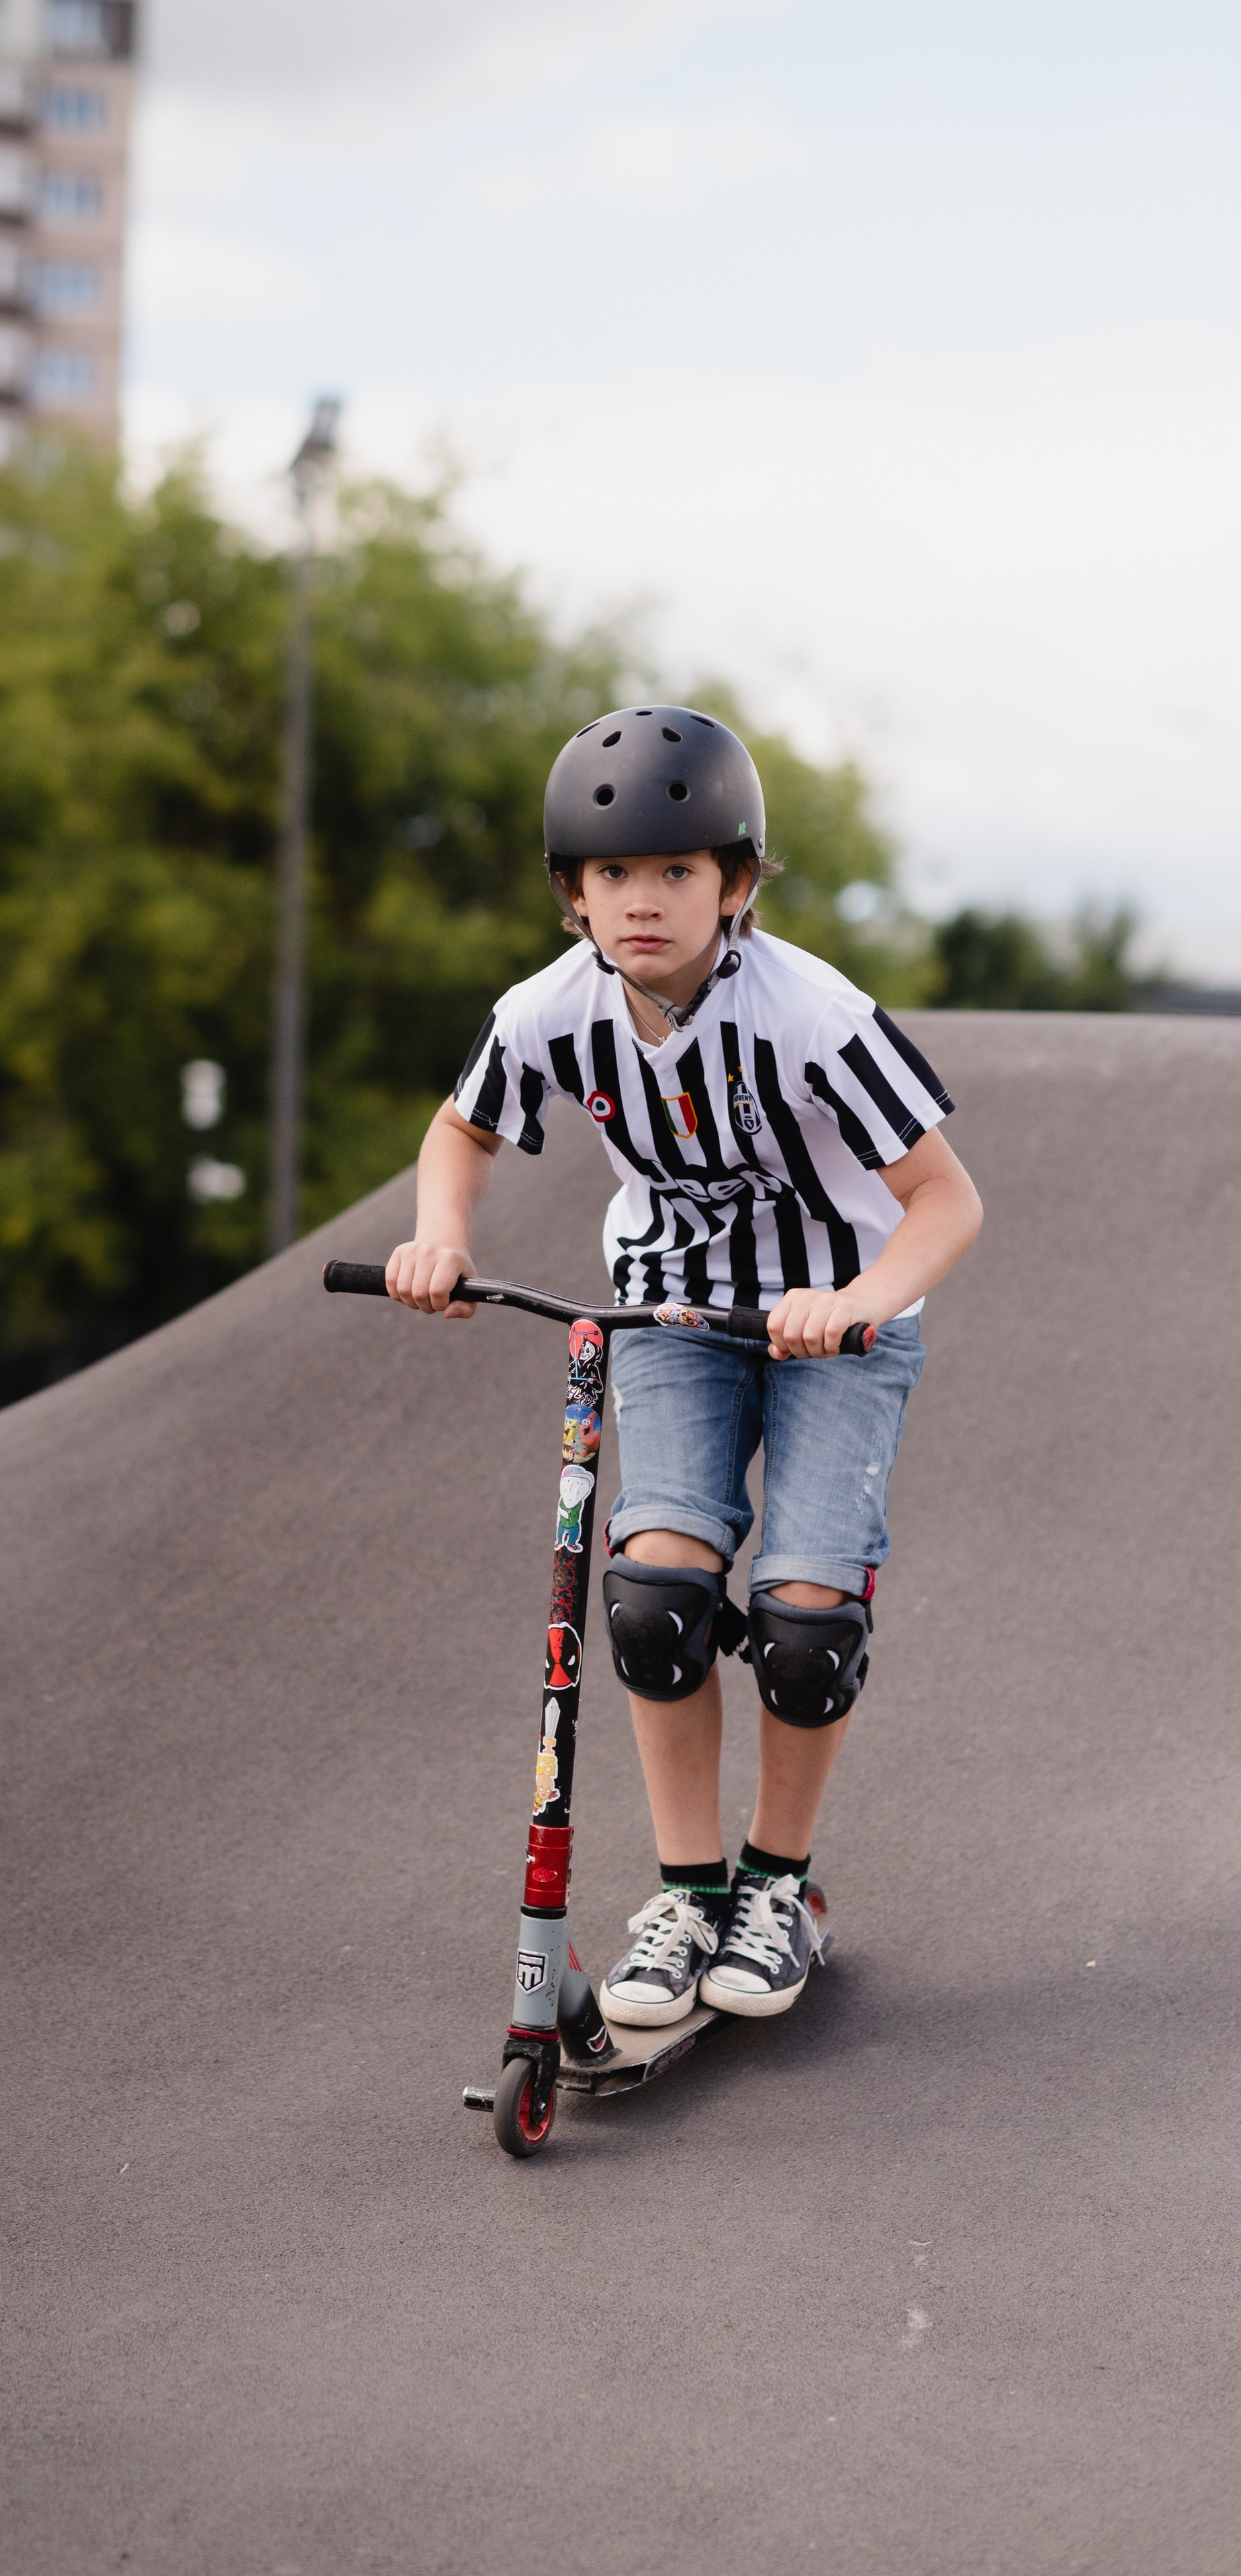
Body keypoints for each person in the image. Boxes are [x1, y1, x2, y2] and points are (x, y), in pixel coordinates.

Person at [385, 706, 982, 2023]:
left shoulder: (811, 1015)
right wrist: (438, 1236)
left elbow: (944, 1200)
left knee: (803, 1620)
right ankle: (689, 1890)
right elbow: (457, 1132)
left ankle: (779, 1885)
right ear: (570, 895)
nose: (639, 901)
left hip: (842, 1320)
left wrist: (855, 1297)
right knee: (652, 1599)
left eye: (672, 871)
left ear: (734, 882)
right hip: (666, 1316)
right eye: (609, 875)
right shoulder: (551, 1012)